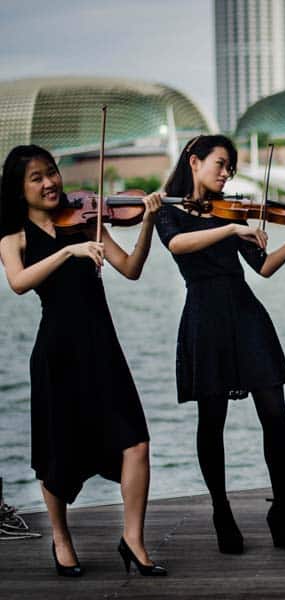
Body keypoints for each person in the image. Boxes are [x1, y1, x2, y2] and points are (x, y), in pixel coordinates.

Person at [155, 135, 285, 555]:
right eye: (220, 163)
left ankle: (282, 511)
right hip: (204, 316)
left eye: (230, 167)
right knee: (211, 419)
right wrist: (232, 228)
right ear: (193, 162)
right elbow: (177, 245)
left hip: (245, 313)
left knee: (274, 411)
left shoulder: (229, 209)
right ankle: (221, 510)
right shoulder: (167, 208)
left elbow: (265, 267)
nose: (226, 172)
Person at [0, 145, 166, 576]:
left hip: (102, 347)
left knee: (136, 443)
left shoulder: (88, 221)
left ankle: (133, 540)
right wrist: (66, 253)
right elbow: (18, 283)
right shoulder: (14, 237)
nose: (50, 182)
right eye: (36, 177)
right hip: (57, 352)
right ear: (20, 189)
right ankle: (61, 537)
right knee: (56, 452)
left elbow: (130, 268)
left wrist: (147, 222)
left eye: (51, 172)